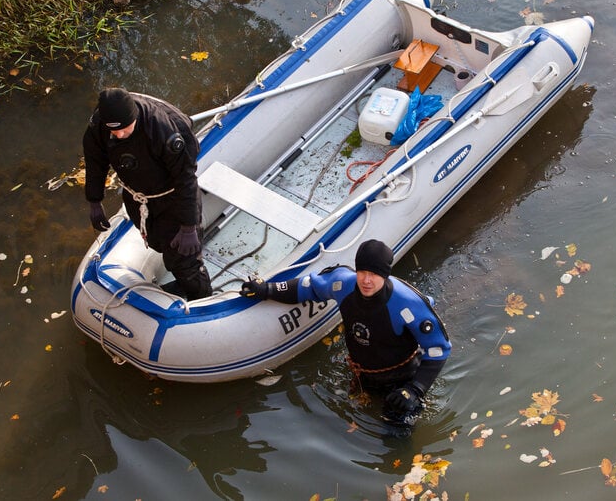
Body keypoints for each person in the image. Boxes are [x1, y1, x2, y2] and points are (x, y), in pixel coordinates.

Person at [241, 239, 450, 430]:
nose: (367, 280)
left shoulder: (408, 303)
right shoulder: (343, 283)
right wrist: (266, 289)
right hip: (363, 372)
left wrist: (415, 389)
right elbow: (307, 288)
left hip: (402, 378)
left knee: (395, 427)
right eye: (362, 272)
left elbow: (439, 348)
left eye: (374, 274)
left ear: (385, 275)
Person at [83, 87, 212, 300]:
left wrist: (188, 226)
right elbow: (95, 162)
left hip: (172, 196)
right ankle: (182, 283)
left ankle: (202, 295)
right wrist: (94, 201)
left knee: (182, 258)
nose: (119, 135)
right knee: (157, 242)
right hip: (139, 193)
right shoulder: (100, 126)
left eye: (125, 129)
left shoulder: (161, 128)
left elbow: (186, 178)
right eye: (114, 132)